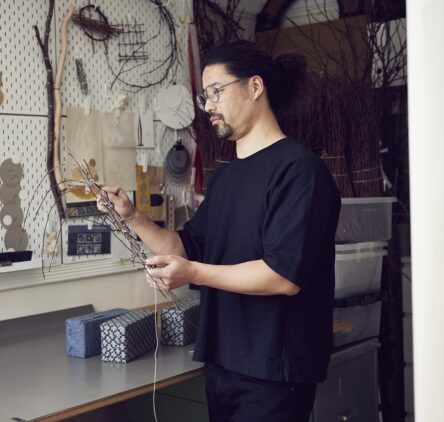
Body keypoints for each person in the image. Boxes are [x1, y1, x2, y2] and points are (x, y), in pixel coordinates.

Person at [98, 40, 341, 422]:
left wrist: (193, 273)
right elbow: (184, 247)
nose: (208, 105)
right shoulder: (226, 177)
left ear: (255, 87)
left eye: (216, 92)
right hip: (223, 363)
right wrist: (131, 216)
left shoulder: (299, 170)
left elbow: (282, 275)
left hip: (274, 370)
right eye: (204, 96)